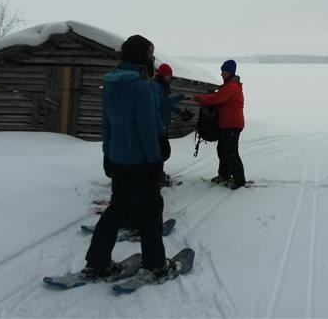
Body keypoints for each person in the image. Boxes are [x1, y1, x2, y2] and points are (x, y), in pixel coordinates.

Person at [83, 34, 175, 280]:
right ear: (143, 57)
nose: (153, 60)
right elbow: (147, 130)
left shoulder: (110, 83)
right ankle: (155, 265)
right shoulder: (141, 87)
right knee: (151, 210)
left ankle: (97, 262)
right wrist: (155, 161)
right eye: (151, 55)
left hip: (118, 158)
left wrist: (107, 154)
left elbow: (107, 125)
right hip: (142, 161)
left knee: (117, 209)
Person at [193, 59, 246, 190]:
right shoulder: (228, 86)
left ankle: (239, 180)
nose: (222, 73)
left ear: (231, 72)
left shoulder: (232, 87)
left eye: (225, 71)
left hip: (232, 125)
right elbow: (218, 96)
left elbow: (217, 99)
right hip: (226, 125)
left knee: (231, 152)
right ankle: (224, 175)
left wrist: (198, 97)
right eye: (222, 71)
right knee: (222, 151)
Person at [151, 63, 191, 185]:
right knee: (161, 152)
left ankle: (158, 174)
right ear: (162, 75)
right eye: (168, 76)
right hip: (157, 126)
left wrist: (179, 111)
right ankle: (156, 177)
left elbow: (166, 105)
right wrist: (180, 97)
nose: (170, 78)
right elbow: (163, 103)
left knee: (161, 152)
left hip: (163, 125)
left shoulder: (163, 87)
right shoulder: (156, 87)